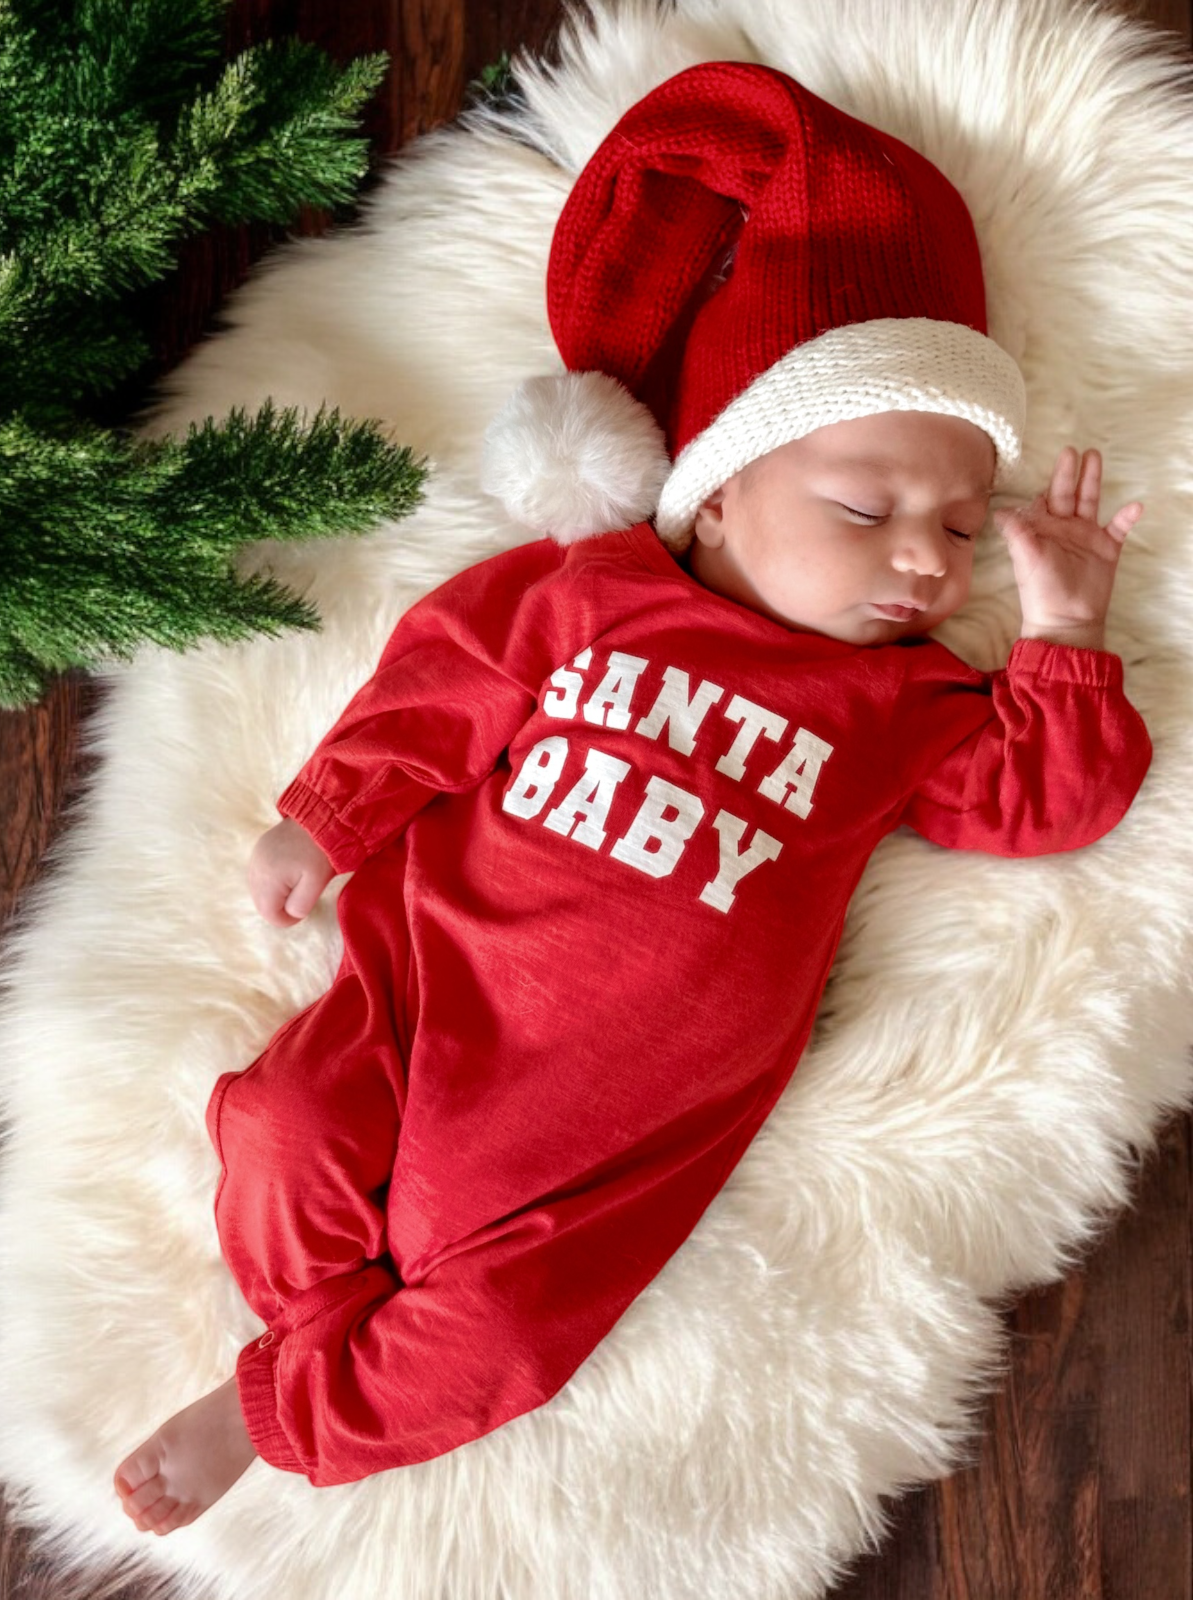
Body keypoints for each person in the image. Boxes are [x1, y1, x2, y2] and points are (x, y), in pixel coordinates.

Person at [113, 62, 1151, 1534]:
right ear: (719, 490)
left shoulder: (907, 703)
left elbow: (1051, 807)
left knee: (499, 1344)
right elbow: (440, 680)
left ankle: (282, 1410)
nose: (926, 558)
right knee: (280, 1130)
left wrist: (1059, 636)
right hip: (432, 999)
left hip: (610, 1138)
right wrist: (328, 816)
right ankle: (308, 1315)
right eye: (867, 509)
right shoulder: (596, 595)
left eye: (959, 524)